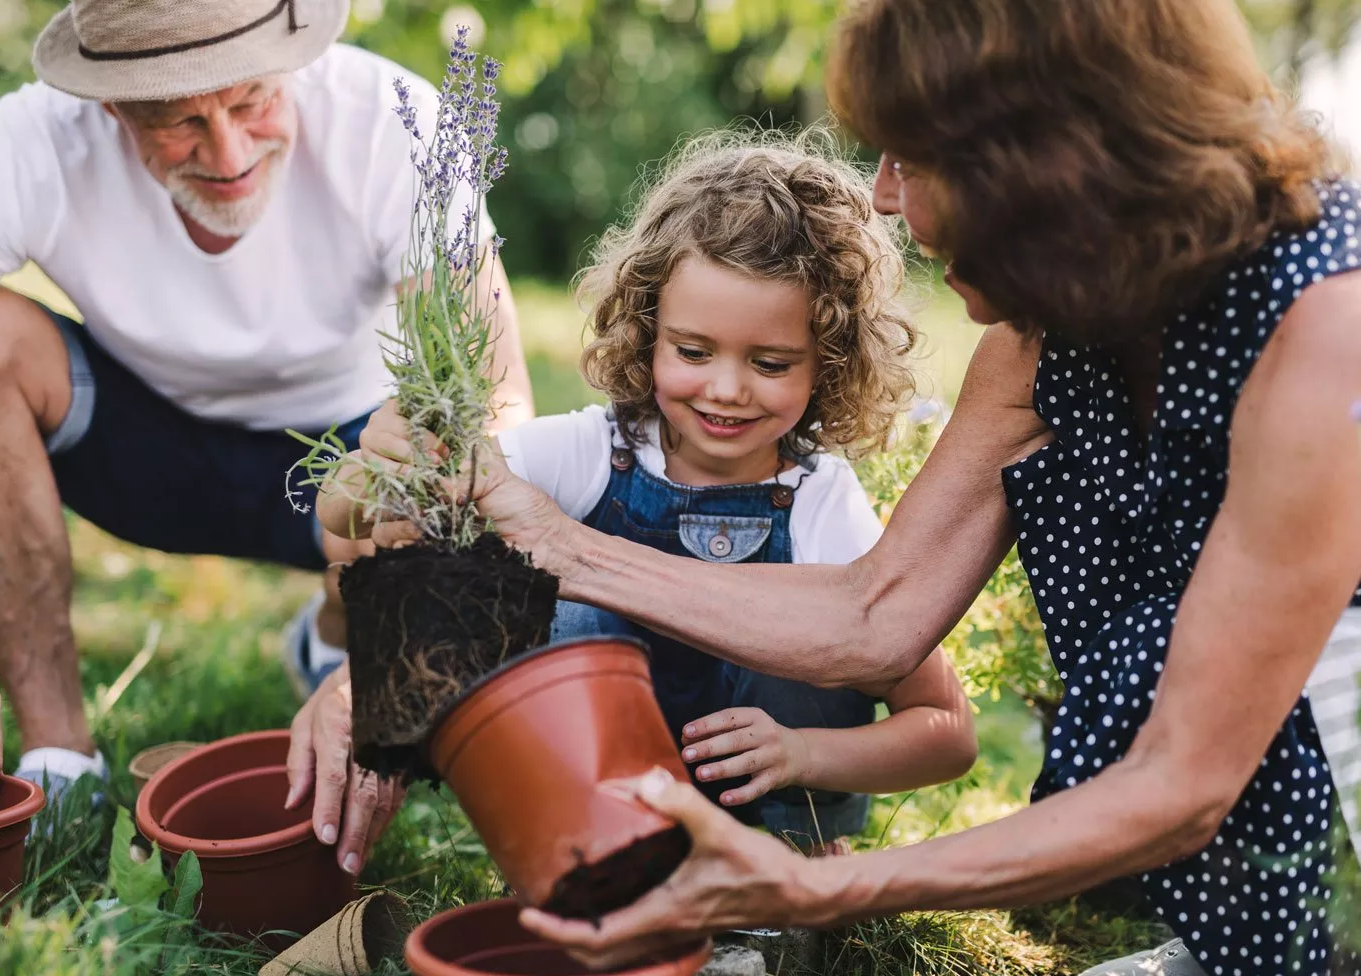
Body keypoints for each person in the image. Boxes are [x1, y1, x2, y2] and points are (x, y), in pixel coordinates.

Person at [323, 1, 1361, 976]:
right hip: (1300, 685)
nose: (884, 196)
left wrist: (813, 882)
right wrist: (533, 550)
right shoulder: (1055, 326)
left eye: (913, 157)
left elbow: (1179, 782)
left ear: (1045, 165)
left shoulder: (1340, 335)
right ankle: (1250, 939)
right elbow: (876, 611)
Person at [0, 0, 532, 821]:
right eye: (176, 121)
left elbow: (497, 409)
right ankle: (62, 762)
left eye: (252, 101)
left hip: (345, 463)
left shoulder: (390, 122)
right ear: (110, 104)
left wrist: (375, 673)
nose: (230, 153)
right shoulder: (31, 142)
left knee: (433, 461)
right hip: (146, 453)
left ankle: (335, 640)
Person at [305, 133, 977, 868]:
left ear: (831, 363)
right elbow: (347, 518)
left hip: (768, 816)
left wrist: (804, 753)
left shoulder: (821, 503)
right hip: (598, 800)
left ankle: (793, 851)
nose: (725, 388)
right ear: (647, 331)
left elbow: (947, 730)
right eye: (692, 352)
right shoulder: (590, 452)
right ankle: (584, 843)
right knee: (560, 608)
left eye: (771, 362)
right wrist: (375, 467)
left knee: (818, 627)